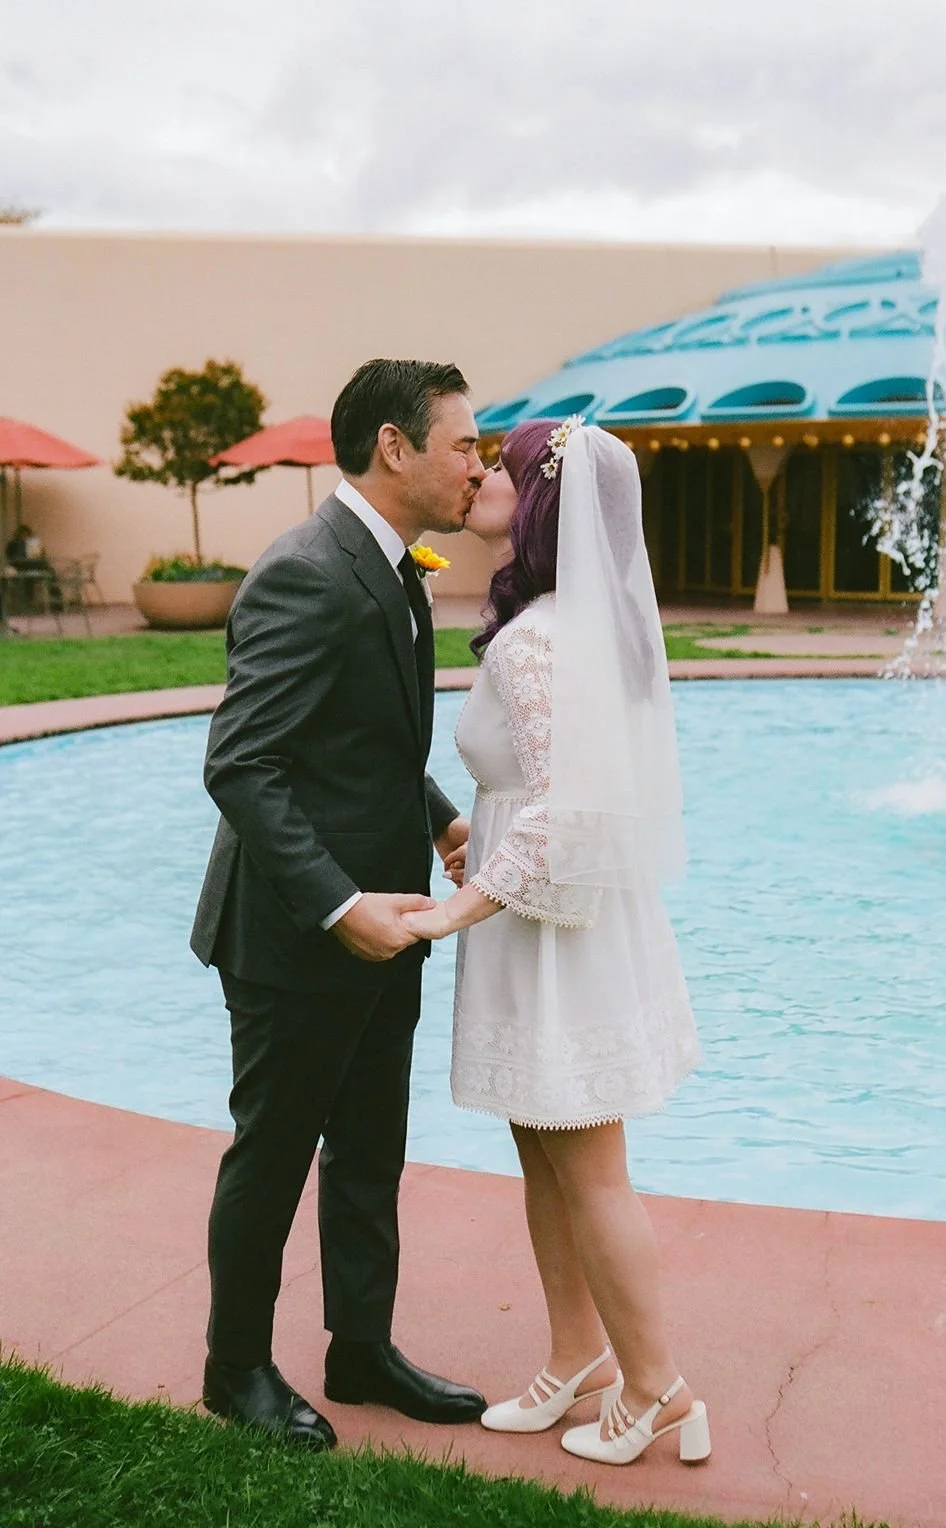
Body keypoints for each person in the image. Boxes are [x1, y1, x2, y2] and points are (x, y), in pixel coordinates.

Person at [190, 358, 488, 1449]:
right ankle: (235, 1370)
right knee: (270, 1154)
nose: (478, 460)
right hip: (292, 935)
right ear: (393, 447)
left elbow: (359, 738)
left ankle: (359, 1349)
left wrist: (440, 816)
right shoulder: (306, 571)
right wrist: (335, 907)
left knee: (369, 1150)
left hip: (389, 924)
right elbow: (243, 763)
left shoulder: (390, 566)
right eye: (462, 441)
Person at [402, 418, 710, 1466]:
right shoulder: (570, 623)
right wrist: (470, 838)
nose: (483, 475)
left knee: (588, 1167)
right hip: (547, 922)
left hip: (547, 932)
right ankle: (576, 1352)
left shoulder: (538, 640)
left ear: (536, 501)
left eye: (502, 466)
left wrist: (459, 903)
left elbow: (560, 808)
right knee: (540, 1150)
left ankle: (658, 1385)